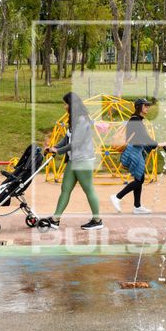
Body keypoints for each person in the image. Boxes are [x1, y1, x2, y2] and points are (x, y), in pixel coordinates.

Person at [49, 92, 103, 230]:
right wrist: (55, 147)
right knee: (65, 188)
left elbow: (77, 142)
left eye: (66, 104)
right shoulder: (74, 119)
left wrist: (59, 151)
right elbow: (67, 138)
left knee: (88, 189)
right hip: (74, 159)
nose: (64, 106)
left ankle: (97, 220)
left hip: (83, 160)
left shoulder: (83, 121)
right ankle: (55, 219)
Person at [111, 98, 166, 215]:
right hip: (133, 152)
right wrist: (158, 144)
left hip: (136, 151)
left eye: (148, 105)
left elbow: (142, 139)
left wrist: (153, 145)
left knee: (139, 179)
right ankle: (117, 197)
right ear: (139, 107)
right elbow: (143, 138)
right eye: (145, 105)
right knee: (139, 180)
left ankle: (137, 206)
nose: (147, 107)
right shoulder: (135, 120)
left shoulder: (138, 120)